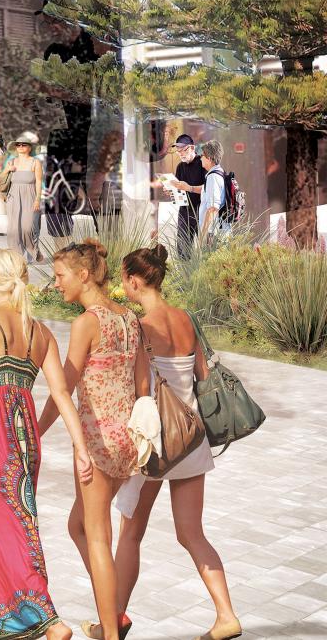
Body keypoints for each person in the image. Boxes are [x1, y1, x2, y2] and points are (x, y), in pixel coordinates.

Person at [0, 248, 94, 640]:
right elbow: (61, 394)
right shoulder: (41, 333)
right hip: (26, 436)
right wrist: (80, 447)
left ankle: (48, 619)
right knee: (13, 521)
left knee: (8, 524)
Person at [112, 245, 242, 640]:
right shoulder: (186, 318)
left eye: (123, 280)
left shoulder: (139, 327)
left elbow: (138, 390)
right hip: (191, 440)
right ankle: (226, 615)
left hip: (155, 443)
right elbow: (202, 373)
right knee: (192, 533)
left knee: (131, 534)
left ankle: (113, 619)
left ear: (134, 281)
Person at [37, 238, 152, 640]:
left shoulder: (87, 322)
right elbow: (142, 386)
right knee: (79, 526)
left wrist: (34, 432)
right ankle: (110, 610)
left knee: (98, 536)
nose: (57, 284)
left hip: (97, 440)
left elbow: (62, 388)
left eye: (60, 276)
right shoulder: (129, 319)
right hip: (128, 441)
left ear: (83, 275)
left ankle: (110, 627)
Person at [152, 134, 205, 258]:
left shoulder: (203, 164)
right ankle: (185, 276)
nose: (180, 153)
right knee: (182, 252)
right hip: (184, 213)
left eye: (183, 150)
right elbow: (179, 190)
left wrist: (189, 188)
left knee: (205, 251)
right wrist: (170, 191)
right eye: (178, 151)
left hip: (201, 211)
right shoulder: (180, 167)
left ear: (192, 148)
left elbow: (209, 190)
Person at [0, 131, 44, 262]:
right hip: (13, 197)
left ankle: (33, 250)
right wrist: (7, 170)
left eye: (24, 145)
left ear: (29, 147)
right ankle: (16, 256)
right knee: (14, 229)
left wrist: (37, 199)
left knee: (27, 227)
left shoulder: (35, 162)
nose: (21, 147)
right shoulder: (11, 161)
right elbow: (1, 178)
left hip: (30, 196)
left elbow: (39, 181)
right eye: (18, 145)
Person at [196, 140, 229, 243]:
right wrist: (189, 187)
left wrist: (201, 237)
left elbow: (212, 209)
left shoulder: (212, 177)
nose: (200, 158)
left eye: (202, 155)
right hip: (221, 230)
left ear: (209, 159)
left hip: (212, 235)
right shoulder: (220, 172)